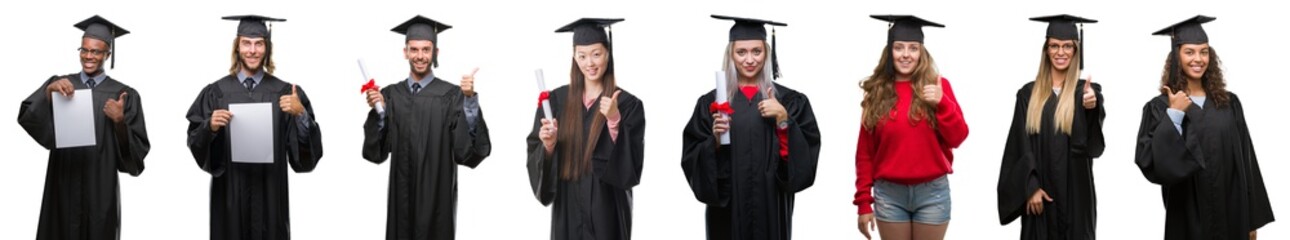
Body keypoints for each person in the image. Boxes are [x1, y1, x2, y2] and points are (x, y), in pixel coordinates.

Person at [1134, 15, 1274, 240]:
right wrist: (1175, 114)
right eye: (1189, 51)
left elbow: (1248, 164)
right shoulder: (1160, 107)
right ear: (1176, 56)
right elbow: (1149, 161)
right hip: (1187, 218)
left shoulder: (1229, 103)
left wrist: (1251, 220)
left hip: (1232, 214)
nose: (1198, 59)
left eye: (1204, 51)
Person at [682, 14, 820, 240]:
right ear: (731, 55)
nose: (749, 60)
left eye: (757, 51)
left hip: (771, 208)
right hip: (727, 213)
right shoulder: (711, 104)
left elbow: (802, 164)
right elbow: (692, 160)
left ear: (767, 54)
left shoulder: (790, 101)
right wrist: (714, 142)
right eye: (741, 52)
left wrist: (783, 120)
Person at [185, 15, 323, 240]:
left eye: (259, 43)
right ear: (237, 47)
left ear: (267, 48)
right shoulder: (215, 93)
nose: (252, 50)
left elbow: (306, 157)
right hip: (229, 198)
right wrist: (209, 128)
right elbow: (195, 143)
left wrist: (301, 115)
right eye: (246, 43)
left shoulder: (286, 92)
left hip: (271, 197)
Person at [18, 15, 150, 240]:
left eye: (96, 51)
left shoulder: (123, 94)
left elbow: (135, 158)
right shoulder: (59, 84)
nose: (89, 56)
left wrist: (120, 122)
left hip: (100, 187)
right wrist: (48, 94)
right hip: (62, 183)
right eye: (84, 50)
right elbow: (30, 119)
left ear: (108, 54)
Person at [361, 15, 492, 239]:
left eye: (426, 49)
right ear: (405, 52)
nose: (420, 56)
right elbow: (377, 151)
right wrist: (380, 113)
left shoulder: (451, 96)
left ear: (435, 53)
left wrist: (469, 99)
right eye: (414, 49)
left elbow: (469, 151)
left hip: (437, 200)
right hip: (400, 199)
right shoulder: (391, 95)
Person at [526, 17, 646, 240]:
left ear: (608, 54)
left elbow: (631, 168)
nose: (589, 63)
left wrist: (613, 120)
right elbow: (535, 154)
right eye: (582, 56)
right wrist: (549, 147)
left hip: (607, 211)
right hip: (568, 211)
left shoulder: (629, 104)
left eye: (596, 54)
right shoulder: (555, 101)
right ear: (574, 57)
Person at [853, 15, 968, 240]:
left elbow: (958, 137)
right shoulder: (877, 92)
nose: (906, 54)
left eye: (913, 48)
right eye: (899, 47)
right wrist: (864, 202)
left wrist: (942, 103)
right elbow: (865, 152)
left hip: (932, 193)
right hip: (889, 194)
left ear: (921, 52)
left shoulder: (938, 86)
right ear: (890, 52)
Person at [997, 14, 1104, 240]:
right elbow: (1019, 144)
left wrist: (1091, 108)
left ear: (1076, 50)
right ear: (1046, 50)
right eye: (1054, 46)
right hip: (1041, 197)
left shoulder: (1085, 92)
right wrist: (1030, 186)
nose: (1060, 52)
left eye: (1067, 46)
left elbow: (1093, 147)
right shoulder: (1028, 94)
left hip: (1077, 197)